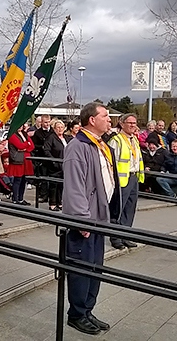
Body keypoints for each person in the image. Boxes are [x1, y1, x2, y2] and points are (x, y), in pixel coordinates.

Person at [63, 102, 120, 335]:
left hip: (100, 216)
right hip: (86, 219)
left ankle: (87, 310)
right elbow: (75, 186)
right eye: (105, 116)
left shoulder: (101, 144)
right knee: (81, 267)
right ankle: (76, 314)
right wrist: (81, 219)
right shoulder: (78, 146)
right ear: (92, 120)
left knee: (95, 267)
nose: (109, 120)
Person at [108, 113, 144, 249]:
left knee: (129, 209)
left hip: (134, 177)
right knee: (118, 209)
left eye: (134, 123)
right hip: (122, 179)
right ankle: (115, 238)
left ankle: (125, 235)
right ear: (122, 124)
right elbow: (112, 163)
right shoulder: (116, 140)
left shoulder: (134, 139)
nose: (133, 125)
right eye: (130, 123)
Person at [43, 120, 72, 211]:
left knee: (61, 185)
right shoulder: (51, 138)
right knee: (54, 185)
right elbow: (46, 150)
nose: (60, 129)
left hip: (65, 164)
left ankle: (60, 202)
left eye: (62, 127)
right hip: (55, 165)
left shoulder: (66, 138)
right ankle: (52, 203)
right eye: (58, 127)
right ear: (54, 129)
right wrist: (53, 162)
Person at [8, 125, 35, 205]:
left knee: (24, 180)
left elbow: (32, 146)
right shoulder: (12, 135)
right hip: (18, 160)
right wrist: (27, 144)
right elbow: (20, 146)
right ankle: (15, 198)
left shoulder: (24, 134)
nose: (20, 126)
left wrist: (24, 148)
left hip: (25, 159)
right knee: (18, 180)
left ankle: (20, 198)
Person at [32, 114, 52, 202]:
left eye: (48, 122)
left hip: (51, 157)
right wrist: (42, 147)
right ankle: (44, 195)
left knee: (52, 178)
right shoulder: (38, 133)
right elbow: (34, 145)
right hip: (42, 158)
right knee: (43, 178)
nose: (47, 124)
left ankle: (53, 197)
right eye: (45, 122)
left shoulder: (53, 131)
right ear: (41, 122)